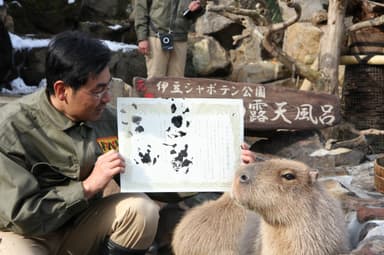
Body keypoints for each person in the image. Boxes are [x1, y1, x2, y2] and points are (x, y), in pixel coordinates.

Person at [0, 30, 257, 255]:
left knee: (140, 211)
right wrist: (88, 187)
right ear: (61, 90)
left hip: (80, 226)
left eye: (107, 86)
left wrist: (225, 165)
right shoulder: (11, 128)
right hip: (25, 234)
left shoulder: (109, 119)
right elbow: (22, 215)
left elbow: (160, 174)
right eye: (97, 90)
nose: (106, 98)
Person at [134, 0, 204, 78]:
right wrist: (142, 38)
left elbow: (201, 7)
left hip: (181, 38)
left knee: (177, 83)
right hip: (157, 36)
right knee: (156, 80)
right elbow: (140, 9)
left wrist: (196, 9)